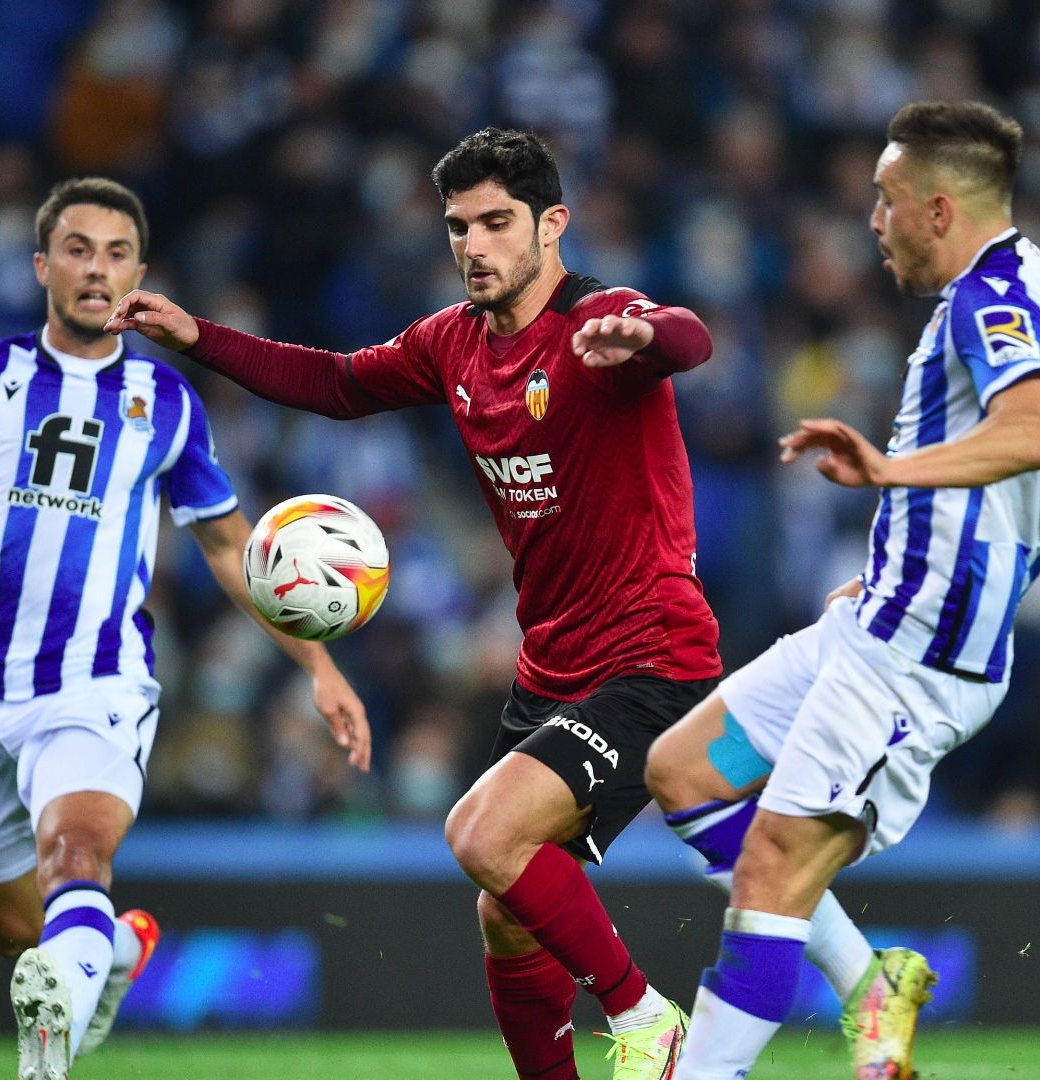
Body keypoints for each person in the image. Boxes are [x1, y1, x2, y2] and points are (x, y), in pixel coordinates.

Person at [109, 127, 887, 1080]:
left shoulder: (599, 320)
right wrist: (201, 339)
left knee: (480, 834)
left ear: (551, 225)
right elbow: (338, 384)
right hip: (549, 670)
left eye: (496, 223)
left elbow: (690, 336)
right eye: (457, 227)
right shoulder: (452, 344)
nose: (473, 245)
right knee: (507, 914)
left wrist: (644, 336)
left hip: (651, 660)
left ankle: (645, 1016)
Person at [0, 178, 367, 1080]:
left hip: (95, 678)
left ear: (138, 273)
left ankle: (44, 1065)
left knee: (76, 851)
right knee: (12, 934)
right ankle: (109, 954)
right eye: (77, 249)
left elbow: (230, 546)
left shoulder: (168, 402)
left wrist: (318, 666)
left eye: (115, 253)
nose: (96, 269)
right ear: (43, 266)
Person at [647, 100, 1040, 1080]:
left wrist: (886, 476)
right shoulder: (1031, 283)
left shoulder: (991, 298)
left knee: (769, 871)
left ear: (939, 208)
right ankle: (866, 982)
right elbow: (1013, 480)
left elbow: (1031, 434)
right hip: (879, 619)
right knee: (685, 770)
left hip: (915, 661)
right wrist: (898, 550)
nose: (872, 222)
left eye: (885, 201)